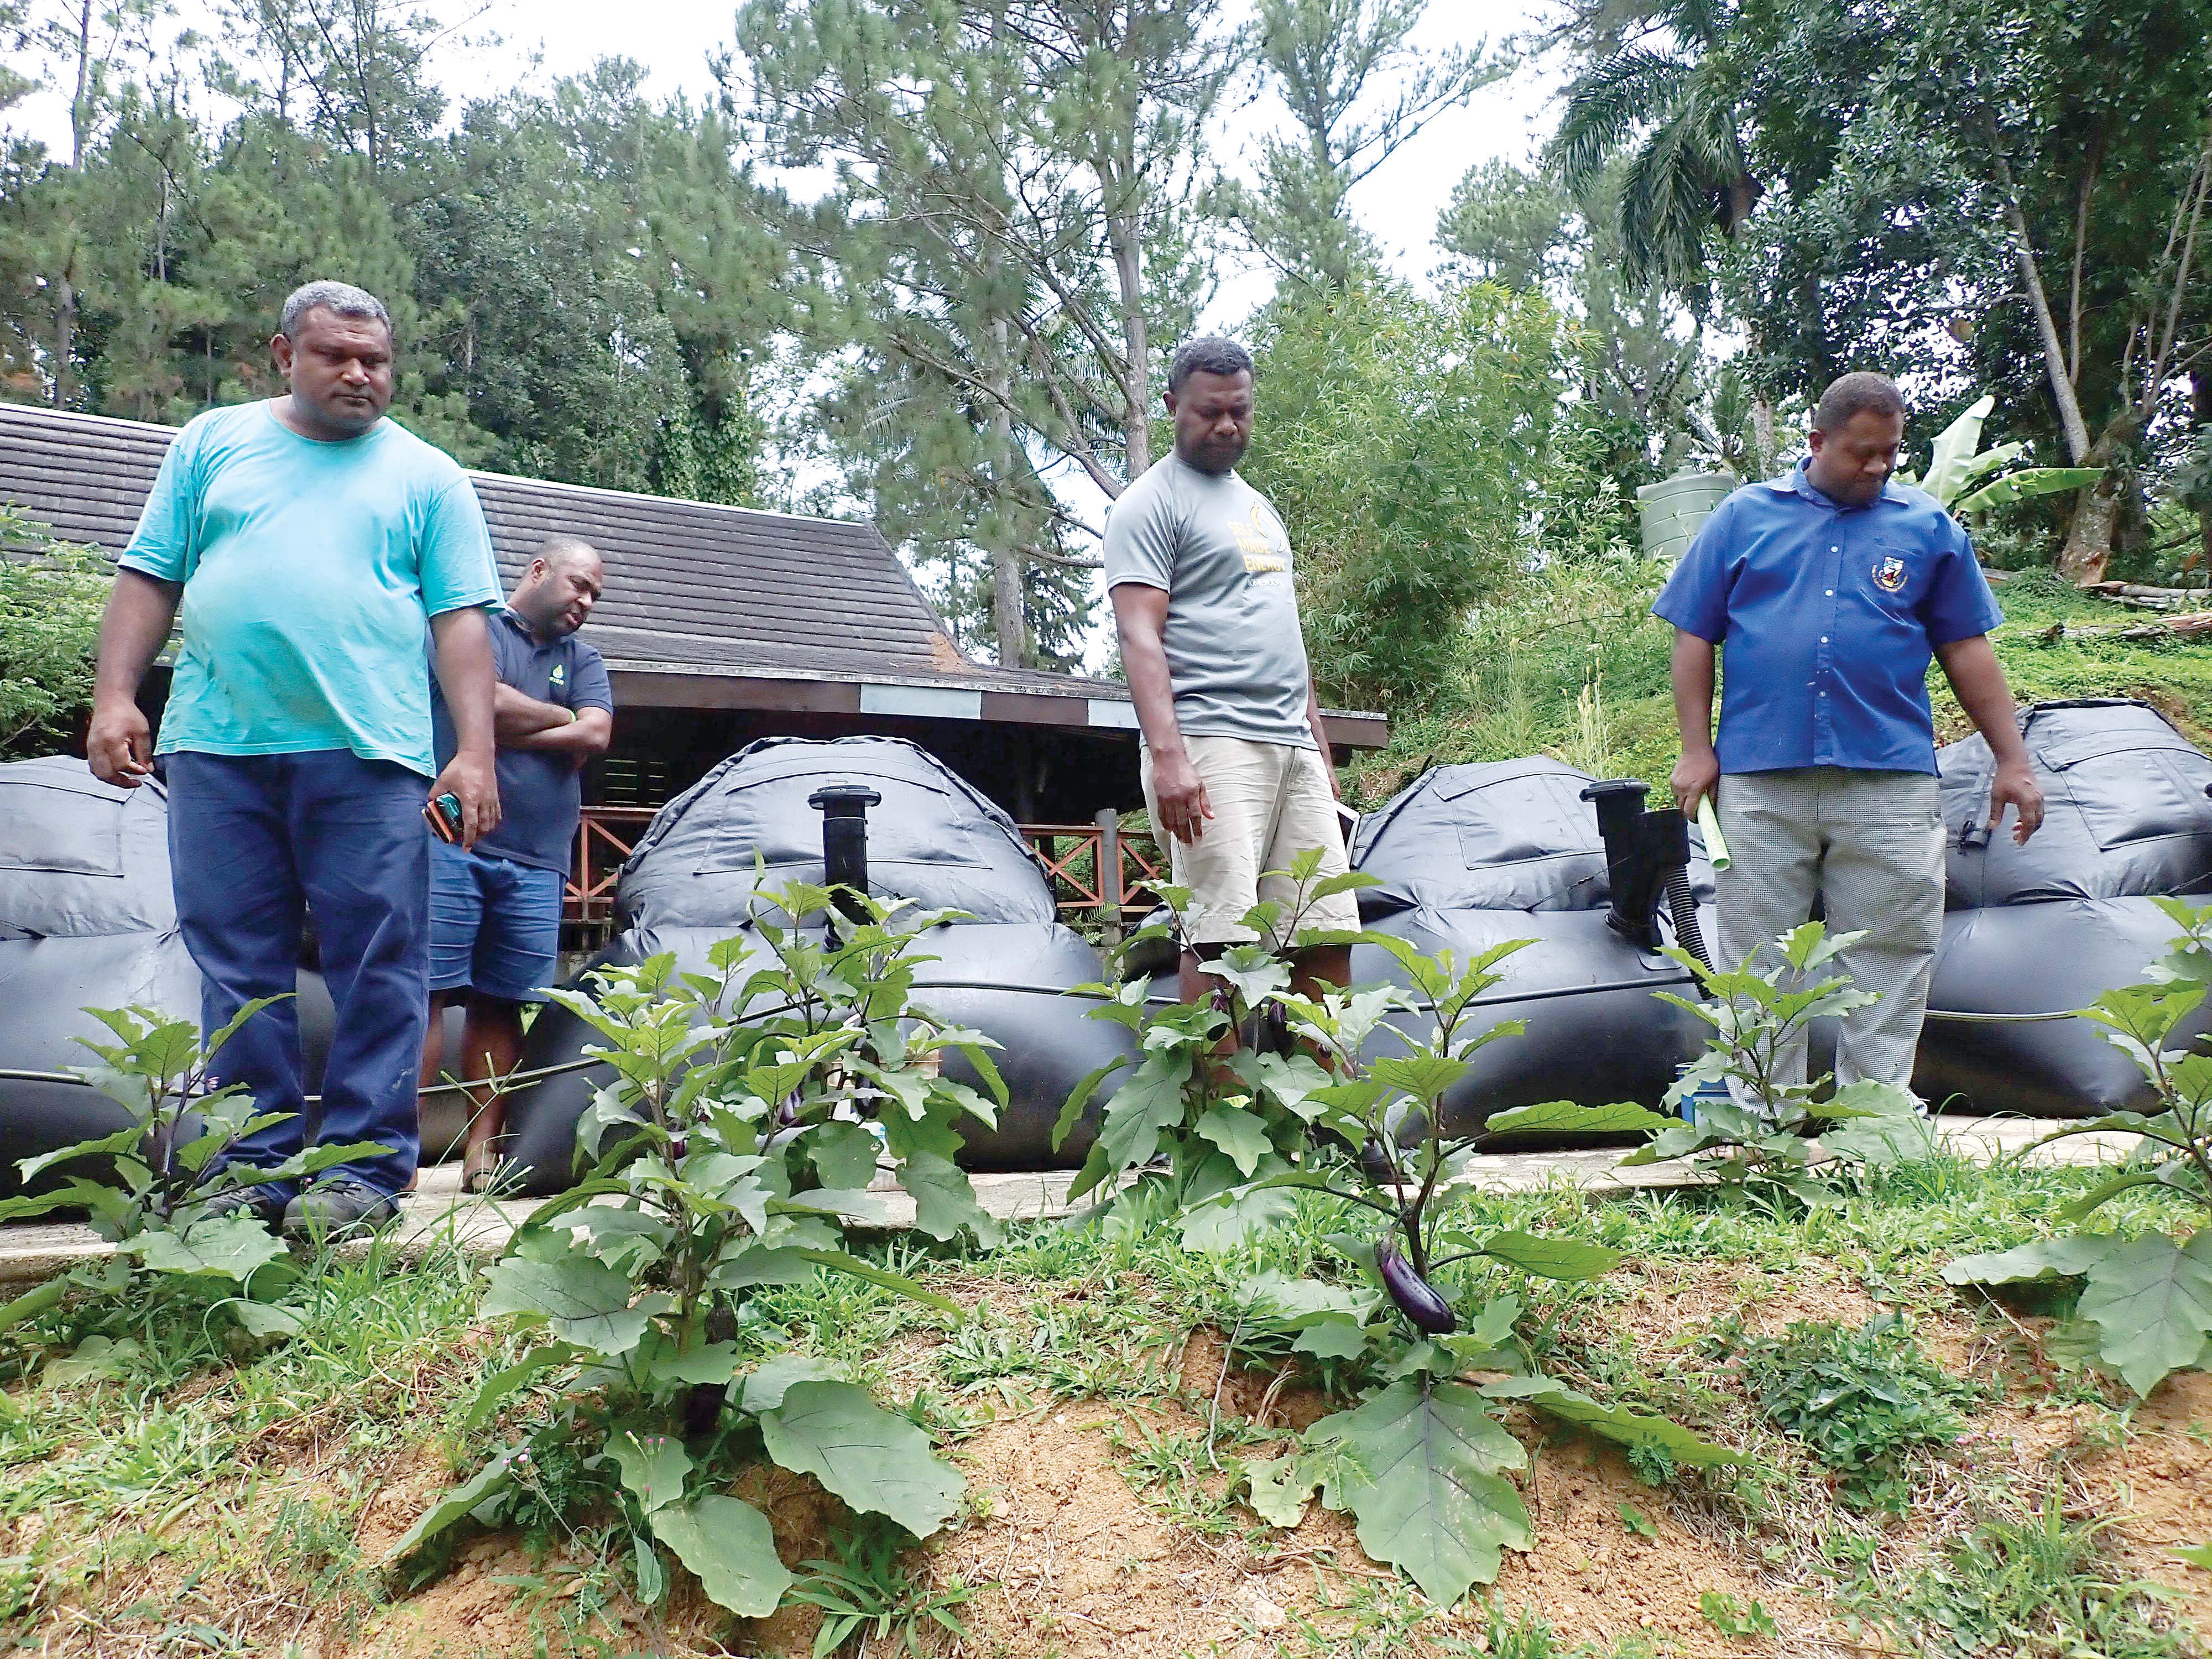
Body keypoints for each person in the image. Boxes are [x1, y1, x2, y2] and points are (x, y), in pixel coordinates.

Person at [86, 279, 503, 1237]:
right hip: (219, 750)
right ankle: (250, 1168)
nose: (360, 375)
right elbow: (150, 575)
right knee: (237, 964)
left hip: (372, 758)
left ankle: (361, 1173)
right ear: (284, 356)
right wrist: (115, 696)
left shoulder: (429, 477)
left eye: (377, 361)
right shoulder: (210, 445)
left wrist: (472, 754)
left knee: (379, 963)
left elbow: (461, 625)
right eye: (336, 357)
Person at [1656, 370, 2044, 1094]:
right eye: (1861, 453)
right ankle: (1766, 1135)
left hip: (1889, 781)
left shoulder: (1928, 529)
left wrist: (2012, 759)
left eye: (1890, 454)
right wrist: (1695, 748)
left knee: (1891, 954)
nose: (1877, 467)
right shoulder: (1744, 517)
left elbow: (1968, 650)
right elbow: (1693, 636)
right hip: (1760, 780)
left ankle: (1876, 1130)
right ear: (1817, 441)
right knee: (1759, 963)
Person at [1104, 335, 1360, 1014]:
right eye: (1209, 412)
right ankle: (1219, 1116)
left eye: (1239, 411)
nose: (1226, 425)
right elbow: (1138, 634)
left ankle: (1326, 1115)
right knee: (1221, 942)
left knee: (1323, 936)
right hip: (1211, 744)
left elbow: (1285, 634)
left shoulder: (1257, 506)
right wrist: (1169, 759)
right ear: (1171, 407)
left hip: (1291, 749)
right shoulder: (1148, 504)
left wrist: (1320, 752)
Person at [420, 538, 612, 1191]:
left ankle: (483, 1153)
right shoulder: (475, 632)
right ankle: (393, 1155)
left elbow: (596, 734)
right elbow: (478, 697)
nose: (585, 602)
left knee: (504, 1004)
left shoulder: (583, 659)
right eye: (578, 585)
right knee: (424, 994)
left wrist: (510, 715)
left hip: (540, 860)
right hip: (453, 842)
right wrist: (558, 716)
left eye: (594, 594)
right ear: (537, 571)